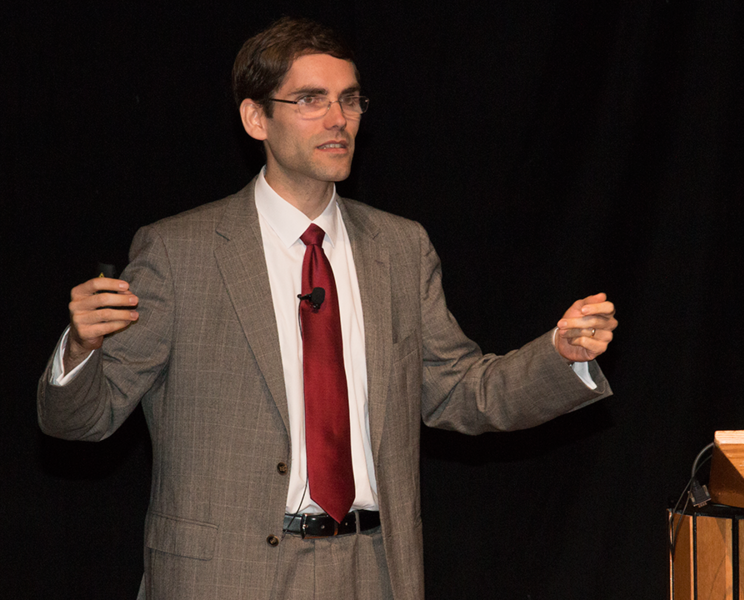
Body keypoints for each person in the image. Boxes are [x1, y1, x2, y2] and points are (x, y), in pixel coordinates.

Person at [37, 16, 617, 600]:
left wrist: (557, 357)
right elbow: (82, 420)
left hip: (375, 570)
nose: (339, 118)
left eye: (349, 100)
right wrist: (81, 350)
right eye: (311, 100)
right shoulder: (178, 252)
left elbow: (460, 391)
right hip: (225, 577)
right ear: (256, 118)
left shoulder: (401, 248)